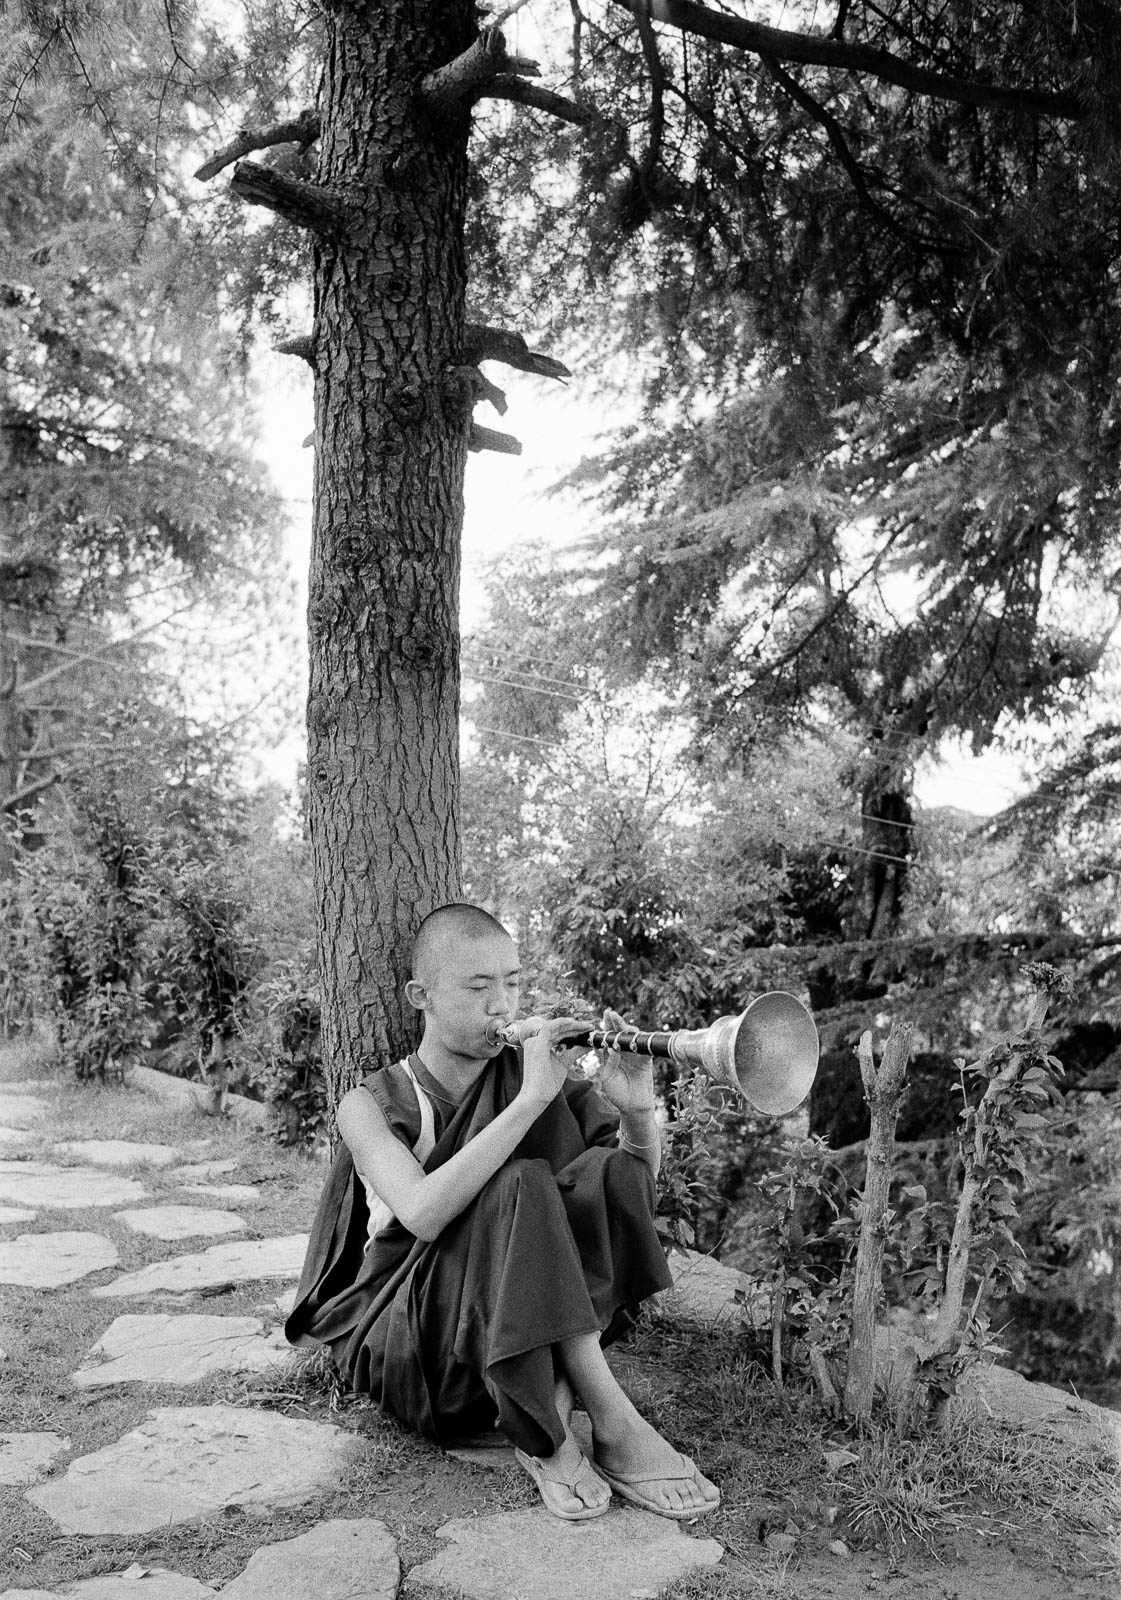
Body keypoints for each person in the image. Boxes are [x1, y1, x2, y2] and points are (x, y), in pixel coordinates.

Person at [285, 902, 720, 1521]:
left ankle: (551, 1400)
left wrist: (636, 1110)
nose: (503, 1007)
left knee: (604, 1167)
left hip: (524, 1320)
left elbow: (627, 1192)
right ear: (421, 996)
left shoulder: (527, 1074)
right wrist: (530, 1100)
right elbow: (422, 1213)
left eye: (513, 984)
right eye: (479, 987)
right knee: (520, 1184)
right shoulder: (370, 1103)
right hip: (425, 1349)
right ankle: (595, 1424)